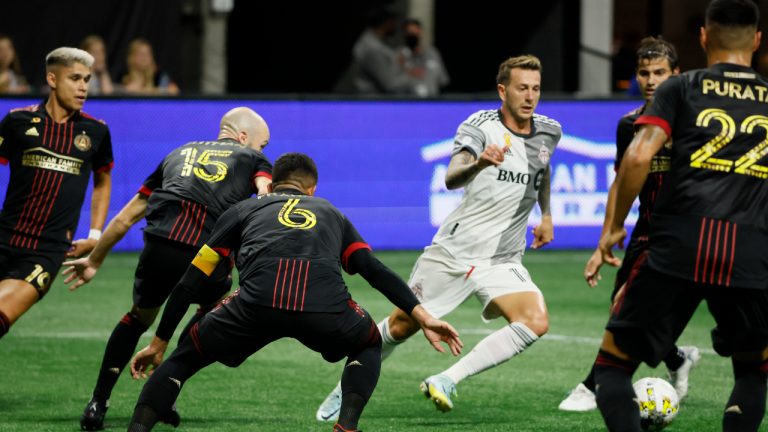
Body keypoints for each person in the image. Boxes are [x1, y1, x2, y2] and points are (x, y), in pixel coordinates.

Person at [124, 153, 463, 432]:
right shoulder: (331, 212)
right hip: (324, 309)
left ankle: (139, 428)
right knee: (369, 341)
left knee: (184, 356)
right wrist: (423, 316)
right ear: (311, 189)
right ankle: (346, 427)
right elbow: (373, 270)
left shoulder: (243, 210)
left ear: (270, 184)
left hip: (253, 307)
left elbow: (192, 279)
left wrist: (159, 341)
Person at [317, 54, 560, 420]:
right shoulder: (480, 127)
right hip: (455, 253)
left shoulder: (549, 131)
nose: (530, 96)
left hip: (503, 258)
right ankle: (345, 386)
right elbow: (451, 176)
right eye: (522, 88)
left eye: (536, 88)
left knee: (536, 320)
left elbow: (543, 168)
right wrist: (480, 163)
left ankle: (446, 378)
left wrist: (547, 215)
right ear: (502, 90)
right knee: (402, 324)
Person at [594, 1, 768, 431]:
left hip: (678, 247)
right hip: (749, 252)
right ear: (758, 41)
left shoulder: (681, 88)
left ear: (704, 37)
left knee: (611, 369)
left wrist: (614, 225)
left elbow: (637, 158)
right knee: (752, 372)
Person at [62, 107, 273, 430]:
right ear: (243, 138)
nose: (262, 151)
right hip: (203, 253)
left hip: (158, 246)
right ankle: (164, 388)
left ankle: (97, 403)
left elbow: (125, 218)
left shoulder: (178, 153)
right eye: (262, 145)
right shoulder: (251, 158)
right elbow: (263, 192)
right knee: (215, 306)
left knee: (138, 317)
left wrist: (95, 259)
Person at [558, 36, 702, 412]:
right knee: (620, 307)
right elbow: (621, 182)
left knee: (628, 309)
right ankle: (676, 359)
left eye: (660, 73)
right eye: (644, 73)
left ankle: (594, 385)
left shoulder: (694, 124)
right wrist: (607, 235)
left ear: (677, 75)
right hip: (646, 231)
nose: (651, 80)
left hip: (687, 232)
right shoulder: (629, 125)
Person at [0, 47, 113, 338]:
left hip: (46, 251)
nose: (83, 87)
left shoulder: (96, 132)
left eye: (87, 79)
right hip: (5, 236)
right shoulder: (17, 122)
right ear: (52, 78)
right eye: (75, 78)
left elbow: (102, 181)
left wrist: (95, 235)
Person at [336, 7, 418, 95]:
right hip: (371, 103)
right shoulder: (371, 48)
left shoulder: (377, 42)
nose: (395, 25)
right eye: (392, 21)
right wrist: (412, 75)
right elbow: (390, 84)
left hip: (377, 101)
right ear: (385, 23)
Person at [397, 18, 450, 98]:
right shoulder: (398, 55)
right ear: (404, 34)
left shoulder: (432, 53)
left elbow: (443, 80)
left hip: (432, 100)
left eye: (415, 32)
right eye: (409, 33)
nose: (413, 36)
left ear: (421, 32)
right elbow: (392, 83)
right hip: (407, 101)